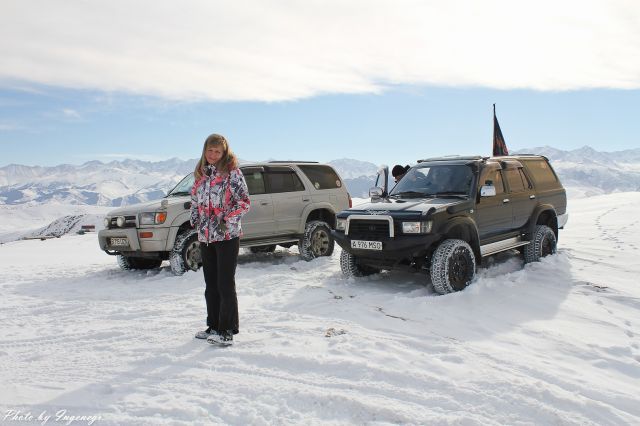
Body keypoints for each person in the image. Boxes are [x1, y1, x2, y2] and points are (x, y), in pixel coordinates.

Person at [191, 134, 250, 346]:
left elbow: (244, 202)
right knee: (211, 285)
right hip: (206, 236)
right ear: (204, 151)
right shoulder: (201, 175)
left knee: (225, 283)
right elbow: (195, 200)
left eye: (217, 152)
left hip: (227, 235)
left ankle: (227, 330)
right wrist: (195, 217)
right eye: (210, 151)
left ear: (224, 153)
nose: (213, 155)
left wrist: (226, 218)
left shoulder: (232, 174)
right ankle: (213, 326)